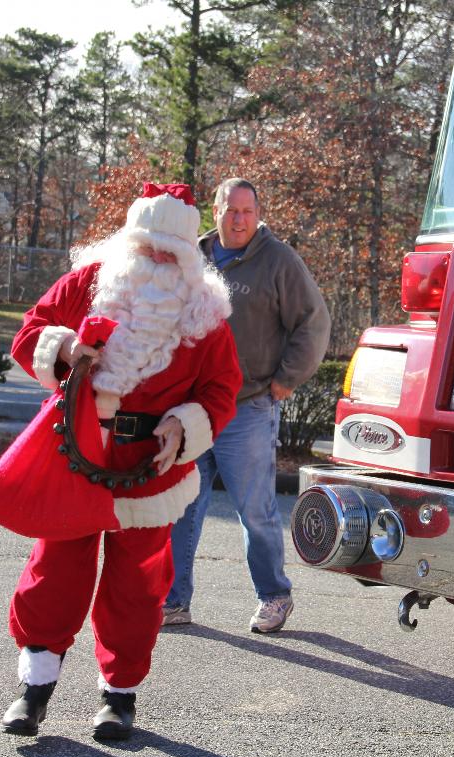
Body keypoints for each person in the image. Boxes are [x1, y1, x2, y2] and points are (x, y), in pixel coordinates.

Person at [0, 183, 241, 740]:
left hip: (152, 469)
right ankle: (34, 690)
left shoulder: (205, 313)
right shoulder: (87, 285)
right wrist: (66, 350)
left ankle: (118, 698)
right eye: (145, 248)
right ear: (128, 244)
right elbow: (29, 333)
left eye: (166, 252)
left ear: (187, 256)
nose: (153, 262)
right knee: (54, 574)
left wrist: (185, 424)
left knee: (137, 587)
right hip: (75, 458)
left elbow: (222, 389)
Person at [164, 177, 330, 633]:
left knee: (255, 510)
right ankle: (174, 601)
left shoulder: (277, 260)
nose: (239, 220)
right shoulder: (190, 258)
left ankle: (275, 596)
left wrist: (283, 382)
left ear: (258, 214)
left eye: (247, 211)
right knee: (181, 508)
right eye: (230, 210)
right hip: (191, 411)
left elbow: (314, 324)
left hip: (247, 408)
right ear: (214, 211)